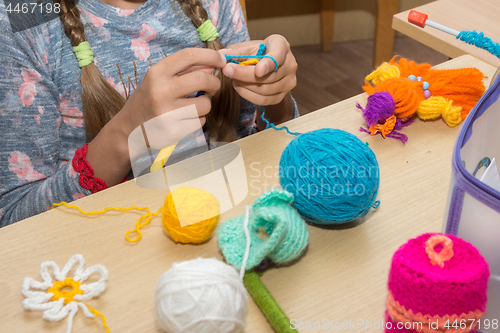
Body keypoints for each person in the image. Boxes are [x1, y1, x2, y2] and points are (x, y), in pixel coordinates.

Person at [0, 0, 299, 226]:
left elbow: (252, 142)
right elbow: (13, 216)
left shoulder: (215, 5)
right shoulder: (22, 19)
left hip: (221, 222)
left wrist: (274, 95)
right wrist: (125, 136)